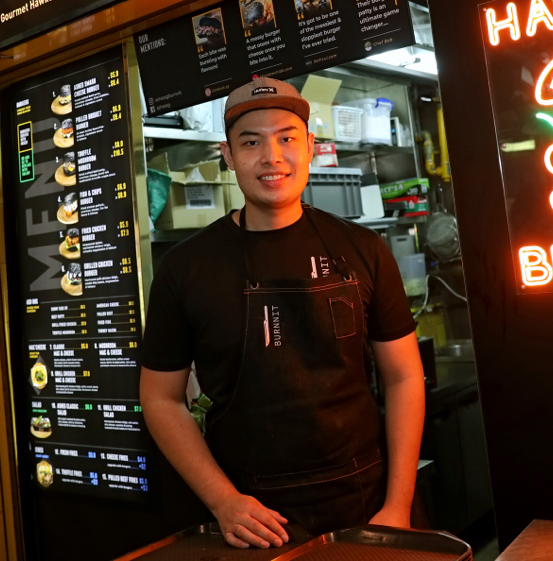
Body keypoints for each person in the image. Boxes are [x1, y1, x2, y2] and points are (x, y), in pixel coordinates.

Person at [140, 78, 424, 547]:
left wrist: (398, 504)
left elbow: (404, 377)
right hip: (250, 516)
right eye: (251, 142)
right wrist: (223, 501)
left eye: (286, 138)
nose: (271, 157)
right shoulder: (184, 267)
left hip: (365, 501)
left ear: (309, 146)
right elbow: (160, 398)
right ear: (228, 156)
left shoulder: (364, 249)